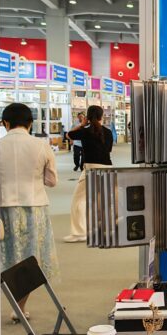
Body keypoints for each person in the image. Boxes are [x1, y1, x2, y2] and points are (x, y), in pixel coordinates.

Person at [0, 102, 59, 319]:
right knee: (30, 258)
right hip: (34, 206)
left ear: (6, 123)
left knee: (7, 256)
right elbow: (52, 181)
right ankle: (20, 307)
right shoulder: (41, 145)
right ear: (30, 123)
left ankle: (13, 305)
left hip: (3, 208)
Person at [64, 104, 112, 243]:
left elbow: (69, 135)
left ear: (88, 117)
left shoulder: (85, 131)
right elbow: (108, 150)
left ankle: (79, 233)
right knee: (101, 200)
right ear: (102, 116)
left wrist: (82, 124)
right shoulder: (107, 132)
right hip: (107, 167)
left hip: (91, 168)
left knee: (78, 201)